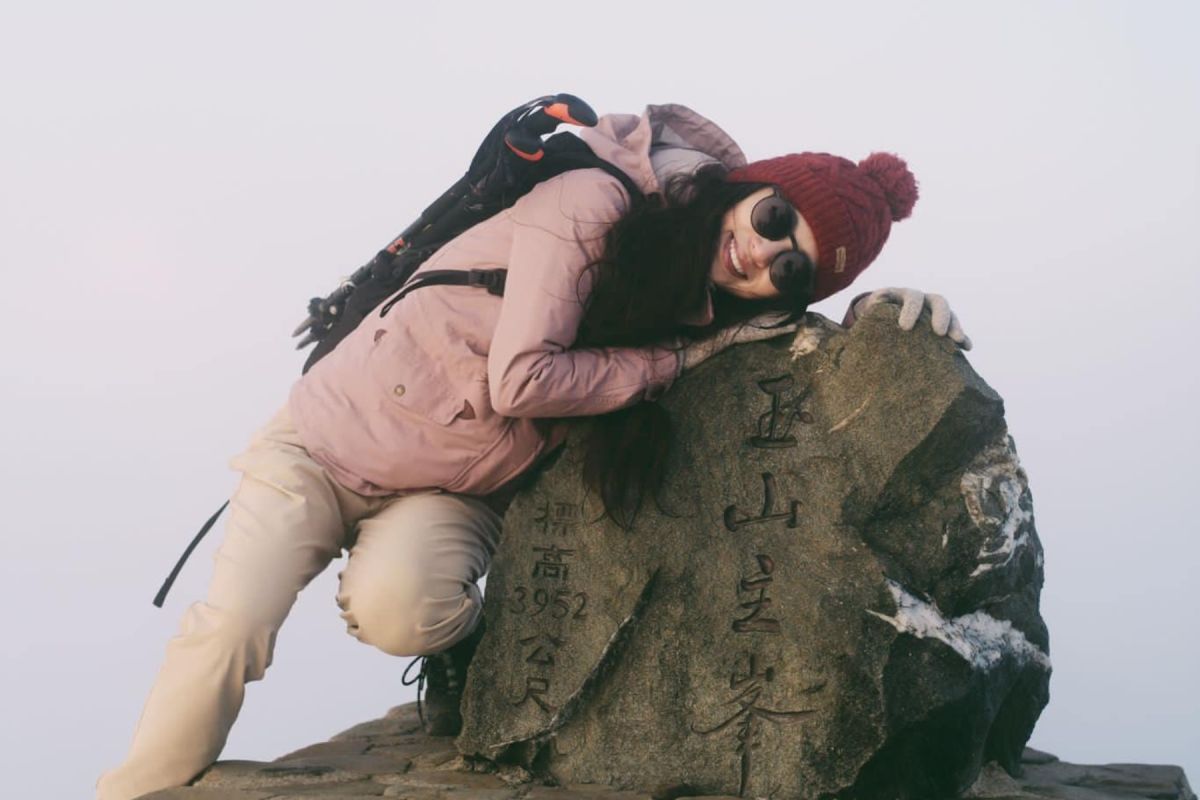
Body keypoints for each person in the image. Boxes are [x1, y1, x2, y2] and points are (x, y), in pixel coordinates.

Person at [97, 103, 969, 800]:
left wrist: (894, 316)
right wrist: (669, 361)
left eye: (794, 269)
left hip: (446, 488)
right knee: (231, 631)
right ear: (746, 186)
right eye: (776, 216)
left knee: (402, 611)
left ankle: (458, 659)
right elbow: (522, 382)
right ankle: (135, 795)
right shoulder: (595, 204)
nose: (764, 253)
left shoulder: (699, 301)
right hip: (323, 445)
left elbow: (802, 353)